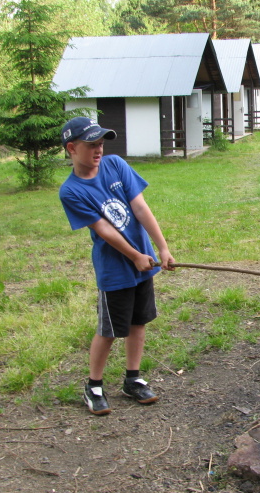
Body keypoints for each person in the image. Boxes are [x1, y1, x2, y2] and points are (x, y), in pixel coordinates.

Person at [59, 116, 175, 415]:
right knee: (109, 330)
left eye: (100, 144)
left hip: (143, 263)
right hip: (115, 270)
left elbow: (140, 207)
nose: (98, 150)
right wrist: (134, 256)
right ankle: (94, 386)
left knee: (139, 322)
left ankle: (132, 379)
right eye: (91, 145)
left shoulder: (115, 165)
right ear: (71, 148)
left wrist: (161, 247)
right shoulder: (71, 191)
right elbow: (104, 230)